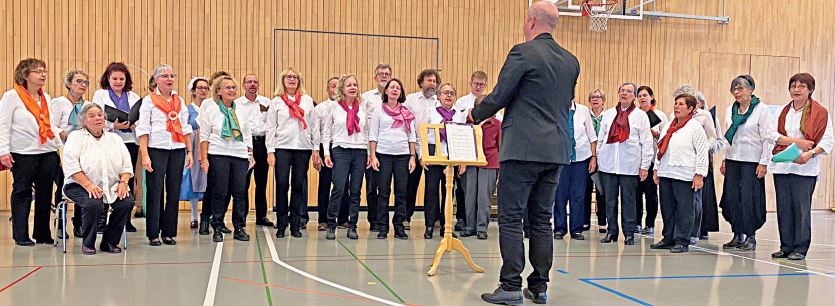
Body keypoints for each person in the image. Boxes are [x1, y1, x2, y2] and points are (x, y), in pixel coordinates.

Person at [472, 2, 579, 304]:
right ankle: (540, 286)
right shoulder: (571, 61)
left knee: (511, 218)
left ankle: (509, 286)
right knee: (542, 219)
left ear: (531, 21)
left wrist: (475, 114)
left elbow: (501, 94)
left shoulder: (522, 52)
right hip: (556, 150)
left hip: (522, 148)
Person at [770, 73, 833, 260]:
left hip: (805, 168)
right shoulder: (782, 110)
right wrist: (795, 142)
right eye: (793, 86)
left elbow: (827, 140)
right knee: (784, 208)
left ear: (810, 90)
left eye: (802, 86)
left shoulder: (820, 112)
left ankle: (800, 248)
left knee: (801, 209)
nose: (796, 90)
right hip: (783, 166)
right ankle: (786, 246)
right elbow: (772, 135)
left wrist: (810, 154)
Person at [0, 58, 63, 246]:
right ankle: (21, 235)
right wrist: (3, 151)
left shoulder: (47, 97)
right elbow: (3, 125)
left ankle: (42, 233)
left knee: (45, 193)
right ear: (25, 75)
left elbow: (50, 125)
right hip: (23, 153)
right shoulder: (11, 96)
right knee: (22, 192)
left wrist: (61, 142)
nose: (43, 74)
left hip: (47, 152)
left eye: (44, 70)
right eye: (37, 71)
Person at [62, 103, 135, 255]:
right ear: (83, 120)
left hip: (112, 185)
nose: (97, 118)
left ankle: (109, 241)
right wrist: (89, 185)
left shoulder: (114, 138)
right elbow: (71, 167)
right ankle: (88, 243)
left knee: (126, 202)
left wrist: (123, 183)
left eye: (100, 115)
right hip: (78, 184)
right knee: (93, 203)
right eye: (92, 116)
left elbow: (127, 166)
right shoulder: (76, 137)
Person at [719, 75, 781, 251]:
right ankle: (737, 233)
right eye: (734, 89)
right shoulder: (730, 109)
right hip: (733, 160)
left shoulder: (761, 110)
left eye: (741, 88)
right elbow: (728, 137)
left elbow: (768, 139)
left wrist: (764, 163)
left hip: (752, 161)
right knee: (732, 198)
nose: (737, 92)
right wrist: (725, 158)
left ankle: (751, 236)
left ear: (751, 90)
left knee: (749, 198)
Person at [136, 64, 193, 246]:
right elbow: (143, 129)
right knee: (154, 190)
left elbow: (185, 128)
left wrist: (189, 151)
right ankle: (153, 232)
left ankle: (169, 231)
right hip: (156, 149)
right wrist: (145, 155)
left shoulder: (179, 101)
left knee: (174, 190)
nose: (169, 79)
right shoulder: (149, 101)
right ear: (156, 80)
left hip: (177, 149)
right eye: (165, 76)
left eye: (172, 76)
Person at [649, 94, 709, 253]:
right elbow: (661, 148)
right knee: (667, 208)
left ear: (690, 109)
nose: (676, 106)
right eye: (676, 103)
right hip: (666, 173)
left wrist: (699, 174)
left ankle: (682, 240)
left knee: (685, 210)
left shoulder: (695, 127)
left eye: (681, 104)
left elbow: (702, 152)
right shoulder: (669, 125)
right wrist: (656, 168)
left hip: (685, 175)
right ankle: (668, 238)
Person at [596, 82, 653, 246]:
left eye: (628, 91)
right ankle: (611, 231)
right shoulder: (608, 114)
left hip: (630, 165)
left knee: (629, 201)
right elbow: (601, 138)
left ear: (634, 96)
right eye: (622, 91)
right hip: (609, 164)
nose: (624, 94)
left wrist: (644, 165)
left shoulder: (640, 116)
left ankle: (629, 233)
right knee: (610, 201)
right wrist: (599, 157)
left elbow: (647, 142)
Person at [199, 75, 253, 242]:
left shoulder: (241, 110)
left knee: (239, 192)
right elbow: (204, 136)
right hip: (218, 154)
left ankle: (239, 227)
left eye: (234, 88)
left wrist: (250, 154)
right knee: (219, 192)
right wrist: (204, 158)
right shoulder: (211, 109)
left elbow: (247, 133)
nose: (232, 90)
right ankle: (216, 225)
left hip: (239, 155)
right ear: (218, 91)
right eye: (228, 87)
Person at [92, 62, 143, 233]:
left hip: (129, 142)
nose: (118, 82)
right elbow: (95, 116)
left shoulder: (134, 96)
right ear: (107, 78)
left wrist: (134, 124)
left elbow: (140, 117)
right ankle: (101, 218)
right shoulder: (100, 95)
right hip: (107, 141)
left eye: (122, 78)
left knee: (127, 179)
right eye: (114, 78)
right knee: (105, 177)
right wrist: (114, 126)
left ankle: (124, 219)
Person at [266, 68, 315, 238]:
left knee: (298, 186)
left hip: (303, 148)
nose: (292, 80)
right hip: (283, 148)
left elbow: (314, 126)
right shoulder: (277, 102)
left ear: (299, 81)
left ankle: (295, 224)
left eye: (295, 77)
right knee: (281, 185)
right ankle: (281, 224)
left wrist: (315, 149)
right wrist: (270, 151)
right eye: (288, 77)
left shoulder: (307, 101)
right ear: (283, 80)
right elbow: (271, 127)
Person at [320, 74, 368, 240]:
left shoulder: (363, 107)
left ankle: (352, 225)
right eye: (349, 85)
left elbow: (367, 131)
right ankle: (331, 224)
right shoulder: (333, 107)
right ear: (342, 89)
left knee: (355, 191)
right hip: (340, 150)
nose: (353, 87)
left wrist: (368, 152)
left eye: (355, 84)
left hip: (360, 151)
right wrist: (326, 153)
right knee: (339, 188)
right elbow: (326, 132)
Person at [368, 78, 416, 240]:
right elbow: (373, 135)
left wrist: (412, 157)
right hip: (383, 155)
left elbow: (412, 136)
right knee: (383, 192)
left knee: (401, 192)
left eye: (398, 88)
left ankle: (399, 226)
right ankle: (382, 227)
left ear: (401, 93)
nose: (395, 90)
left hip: (403, 156)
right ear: (386, 91)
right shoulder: (378, 111)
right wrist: (373, 156)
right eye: (392, 87)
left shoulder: (406, 112)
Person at [419, 83, 467, 239]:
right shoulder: (430, 112)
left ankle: (445, 226)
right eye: (445, 92)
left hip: (451, 155)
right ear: (438, 96)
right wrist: (422, 155)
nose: (449, 95)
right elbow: (422, 135)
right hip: (433, 153)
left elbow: (462, 138)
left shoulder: (459, 115)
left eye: (452, 93)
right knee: (431, 190)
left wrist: (462, 160)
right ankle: (429, 226)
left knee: (448, 192)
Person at [50, 69, 91, 238]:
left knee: (83, 184)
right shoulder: (59, 103)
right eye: (78, 81)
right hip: (63, 148)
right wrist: (63, 135)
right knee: (62, 186)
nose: (82, 85)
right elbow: (51, 125)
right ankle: (60, 224)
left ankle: (79, 223)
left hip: (82, 150)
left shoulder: (88, 105)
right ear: (68, 84)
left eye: (85, 83)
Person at [553, 99, 597, 241]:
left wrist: (593, 157)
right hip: (560, 159)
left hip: (581, 159)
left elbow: (592, 136)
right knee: (560, 195)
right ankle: (559, 228)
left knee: (578, 196)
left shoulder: (583, 110)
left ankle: (576, 229)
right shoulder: (555, 107)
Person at [235, 74, 274, 227]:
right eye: (249, 82)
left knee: (262, 182)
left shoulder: (266, 102)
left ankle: (261, 216)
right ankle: (241, 216)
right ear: (243, 85)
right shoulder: (237, 104)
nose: (252, 84)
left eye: (255, 82)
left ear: (258, 85)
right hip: (245, 144)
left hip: (262, 143)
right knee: (243, 183)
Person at [403, 69, 440, 229]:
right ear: (421, 83)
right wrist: (417, 152)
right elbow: (407, 125)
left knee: (433, 186)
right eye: (429, 81)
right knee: (410, 185)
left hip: (433, 148)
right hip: (413, 146)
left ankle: (435, 219)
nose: (432, 84)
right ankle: (405, 217)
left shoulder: (438, 101)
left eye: (434, 81)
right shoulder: (410, 100)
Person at [313, 77, 350, 231]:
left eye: (337, 86)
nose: (335, 89)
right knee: (325, 184)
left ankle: (343, 218)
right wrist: (317, 153)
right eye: (332, 86)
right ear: (327, 89)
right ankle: (323, 219)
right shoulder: (320, 108)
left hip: (342, 148)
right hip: (325, 148)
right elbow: (316, 132)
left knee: (343, 185)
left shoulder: (347, 107)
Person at [462, 94, 500, 240]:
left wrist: (501, 169)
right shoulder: (468, 123)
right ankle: (470, 226)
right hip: (471, 163)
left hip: (489, 163)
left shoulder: (496, 124)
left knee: (484, 197)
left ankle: (482, 227)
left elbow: (501, 145)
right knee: (470, 195)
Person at [361, 64, 393, 232]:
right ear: (375, 78)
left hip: (390, 149)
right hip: (371, 149)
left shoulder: (397, 98)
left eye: (387, 74)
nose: (384, 76)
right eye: (380, 74)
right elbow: (364, 125)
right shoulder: (366, 98)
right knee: (372, 186)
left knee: (385, 188)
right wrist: (368, 152)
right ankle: (374, 220)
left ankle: (384, 221)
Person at [635, 85, 666, 234]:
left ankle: (650, 224)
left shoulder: (659, 115)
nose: (642, 98)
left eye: (645, 95)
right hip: (636, 160)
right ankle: (636, 223)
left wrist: (656, 134)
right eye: (639, 95)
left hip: (653, 159)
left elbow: (667, 137)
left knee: (651, 194)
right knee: (636, 193)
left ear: (651, 97)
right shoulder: (634, 114)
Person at [183, 77, 210, 229]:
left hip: (208, 145)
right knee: (194, 180)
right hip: (194, 145)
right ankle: (194, 215)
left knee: (209, 180)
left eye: (205, 88)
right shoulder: (188, 110)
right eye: (199, 87)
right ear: (193, 91)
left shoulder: (211, 108)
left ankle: (208, 214)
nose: (203, 90)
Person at [586, 89, 608, 234]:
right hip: (587, 156)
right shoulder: (585, 116)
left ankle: (602, 222)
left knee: (602, 191)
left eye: (598, 97)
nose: (595, 100)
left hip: (605, 157)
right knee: (585, 190)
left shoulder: (608, 116)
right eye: (593, 97)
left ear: (603, 100)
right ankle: (584, 221)